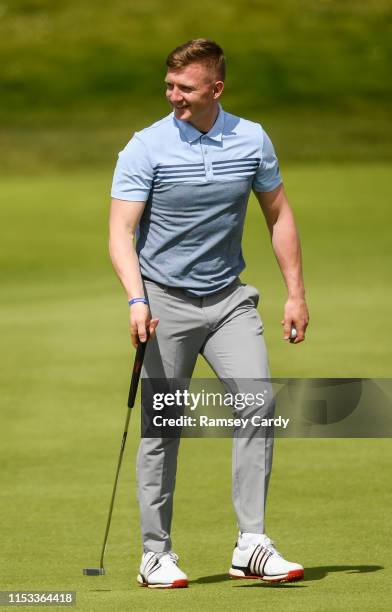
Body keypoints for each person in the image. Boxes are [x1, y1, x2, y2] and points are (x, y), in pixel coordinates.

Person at [109, 38, 309, 589]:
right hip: (164, 303)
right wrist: (137, 297)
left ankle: (252, 544)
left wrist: (295, 292)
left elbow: (279, 214)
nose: (174, 96)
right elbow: (121, 231)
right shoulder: (145, 147)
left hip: (228, 300)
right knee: (164, 427)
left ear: (216, 89)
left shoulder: (251, 138)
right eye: (169, 86)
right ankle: (156, 553)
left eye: (186, 88)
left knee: (256, 404)